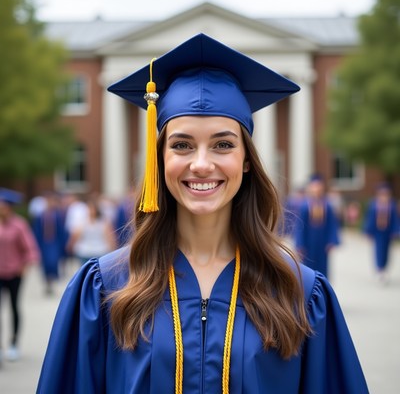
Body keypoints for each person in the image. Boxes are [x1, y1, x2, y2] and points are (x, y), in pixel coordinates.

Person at [37, 34, 368, 393]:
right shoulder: (107, 288)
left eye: (223, 144)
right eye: (181, 145)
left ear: (246, 162)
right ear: (160, 160)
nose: (201, 164)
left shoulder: (300, 293)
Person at [0, 188, 39, 363]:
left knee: (14, 307)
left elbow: (30, 249)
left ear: (9, 207)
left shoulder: (19, 225)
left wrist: (25, 267)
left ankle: (14, 343)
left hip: (15, 273)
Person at [294, 174, 340, 279]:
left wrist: (332, 240)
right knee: (308, 267)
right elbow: (300, 226)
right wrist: (300, 244)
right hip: (308, 243)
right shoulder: (304, 206)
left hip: (322, 243)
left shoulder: (327, 205)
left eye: (319, 187)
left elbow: (332, 224)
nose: (316, 190)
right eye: (314, 187)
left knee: (323, 267)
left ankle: (323, 288)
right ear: (310, 188)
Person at [363, 183, 399, 284]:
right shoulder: (374, 205)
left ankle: (384, 268)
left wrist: (396, 231)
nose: (384, 196)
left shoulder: (391, 205)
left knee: (387, 251)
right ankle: (379, 269)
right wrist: (368, 231)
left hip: (387, 233)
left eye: (386, 194)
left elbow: (395, 219)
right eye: (382, 194)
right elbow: (369, 219)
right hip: (377, 233)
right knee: (378, 251)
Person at [32, 192, 66, 295]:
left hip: (54, 243)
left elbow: (61, 231)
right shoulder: (40, 215)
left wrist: (62, 244)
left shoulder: (58, 215)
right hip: (44, 243)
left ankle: (51, 282)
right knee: (45, 264)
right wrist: (36, 245)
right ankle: (47, 283)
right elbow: (37, 231)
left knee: (53, 263)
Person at [67, 197, 117, 265]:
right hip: (84, 251)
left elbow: (110, 238)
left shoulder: (103, 222)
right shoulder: (83, 222)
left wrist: (113, 251)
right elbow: (76, 235)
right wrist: (71, 245)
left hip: (100, 251)